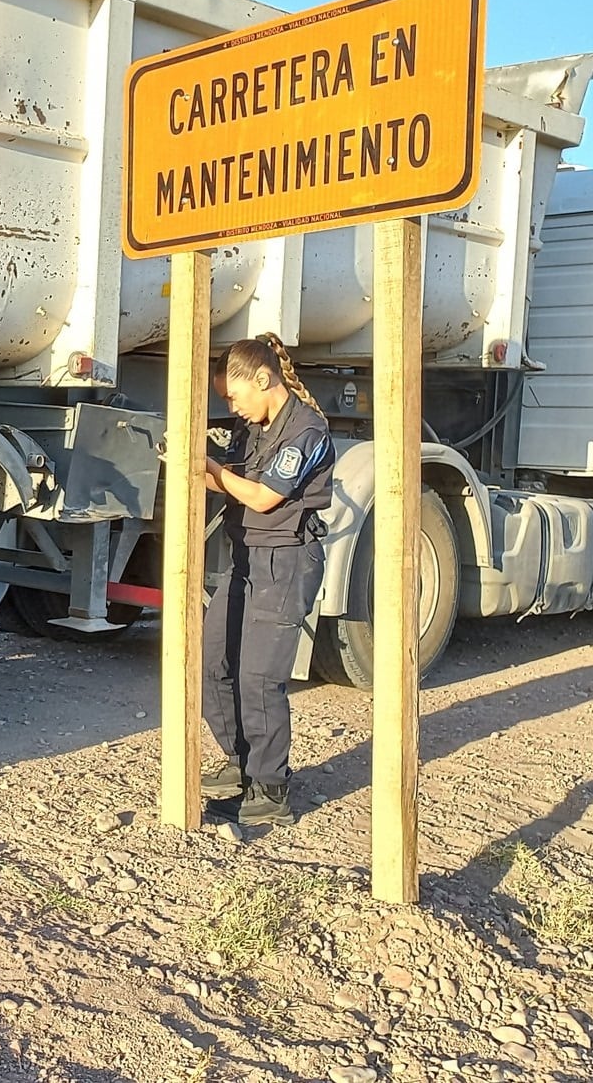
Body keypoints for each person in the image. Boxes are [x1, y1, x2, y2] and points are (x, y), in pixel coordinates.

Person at [197, 334, 335, 826]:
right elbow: (230, 482)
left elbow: (262, 498)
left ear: (263, 378)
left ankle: (270, 789)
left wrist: (210, 467)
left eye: (234, 396)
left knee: (259, 677)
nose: (232, 406)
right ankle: (241, 766)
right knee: (212, 659)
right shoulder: (253, 427)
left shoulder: (307, 430)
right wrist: (192, 464)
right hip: (248, 556)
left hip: (286, 561)